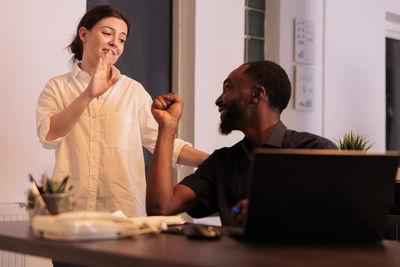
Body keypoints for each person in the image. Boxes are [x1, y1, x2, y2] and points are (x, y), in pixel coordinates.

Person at [36, 5, 208, 218]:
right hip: (70, 215)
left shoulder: (133, 91)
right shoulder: (57, 87)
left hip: (124, 215)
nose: (114, 43)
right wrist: (88, 94)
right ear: (84, 34)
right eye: (107, 33)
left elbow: (165, 144)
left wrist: (217, 161)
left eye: (122, 39)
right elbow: (48, 136)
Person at [146, 60, 338, 226]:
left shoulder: (316, 151)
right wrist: (167, 127)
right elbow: (160, 207)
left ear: (256, 94)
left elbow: (341, 222)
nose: (218, 100)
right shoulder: (222, 162)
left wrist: (277, 213)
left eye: (228, 88)